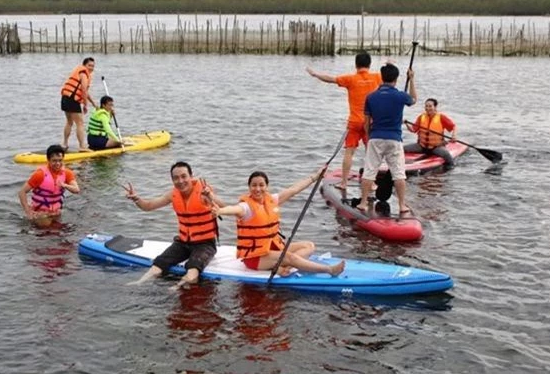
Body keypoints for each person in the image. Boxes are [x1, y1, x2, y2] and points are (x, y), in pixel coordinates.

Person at [212, 170, 345, 277]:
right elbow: (233, 209)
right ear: (249, 187)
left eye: (261, 185)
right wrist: (220, 211)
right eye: (254, 185)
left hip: (271, 248)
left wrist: (316, 177)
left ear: (266, 186)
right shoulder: (246, 207)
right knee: (289, 256)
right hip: (255, 257)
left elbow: (294, 189)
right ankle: (329, 270)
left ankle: (282, 267)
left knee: (309, 246)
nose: (257, 189)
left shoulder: (272, 200)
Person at [123, 162, 226, 289]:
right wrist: (136, 199)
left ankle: (177, 287)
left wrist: (211, 197)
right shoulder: (172, 194)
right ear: (172, 180)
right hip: (183, 242)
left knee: (193, 268)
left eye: (184, 176)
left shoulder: (204, 193)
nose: (180, 181)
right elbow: (148, 206)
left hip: (204, 244)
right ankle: (139, 283)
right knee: (159, 263)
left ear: (191, 176)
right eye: (176, 178)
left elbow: (225, 207)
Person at [307, 52, 382, 190]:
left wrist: (315, 74)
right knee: (370, 153)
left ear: (356, 64)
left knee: (349, 152)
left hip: (354, 121)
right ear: (369, 64)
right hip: (370, 122)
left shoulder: (350, 79)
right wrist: (390, 64)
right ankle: (371, 183)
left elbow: (330, 79)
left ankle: (344, 183)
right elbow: (390, 78)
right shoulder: (377, 77)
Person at [356, 63, 417, 215]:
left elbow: (366, 123)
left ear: (382, 78)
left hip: (375, 138)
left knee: (369, 172)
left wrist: (370, 136)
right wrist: (412, 79)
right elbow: (414, 99)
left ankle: (363, 203)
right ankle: (402, 205)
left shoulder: (371, 97)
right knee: (398, 173)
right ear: (396, 79)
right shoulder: (400, 96)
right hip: (394, 139)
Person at [18, 145, 80, 228]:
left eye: (60, 160)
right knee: (49, 231)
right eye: (54, 161)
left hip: (56, 212)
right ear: (48, 160)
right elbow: (22, 192)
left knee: (64, 232)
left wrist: (64, 185)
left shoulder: (67, 173)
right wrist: (28, 211)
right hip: (41, 214)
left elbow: (76, 190)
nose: (58, 163)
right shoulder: (40, 174)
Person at [404, 98, 458, 168]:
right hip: (421, 146)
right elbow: (413, 130)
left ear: (435, 107)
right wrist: (406, 124)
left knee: (446, 155)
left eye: (430, 106)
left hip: (436, 147)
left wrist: (454, 135)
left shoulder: (441, 117)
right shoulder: (421, 117)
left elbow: (454, 126)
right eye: (426, 106)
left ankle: (451, 168)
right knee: (402, 149)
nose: (428, 108)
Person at [60, 57, 98, 152]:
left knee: (69, 122)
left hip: (65, 97)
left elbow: (85, 92)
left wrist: (93, 103)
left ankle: (64, 144)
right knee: (80, 123)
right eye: (89, 65)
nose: (91, 68)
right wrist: (85, 105)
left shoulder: (81, 72)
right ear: (84, 65)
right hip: (72, 99)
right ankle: (82, 146)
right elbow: (84, 90)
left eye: (93, 66)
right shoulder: (83, 73)